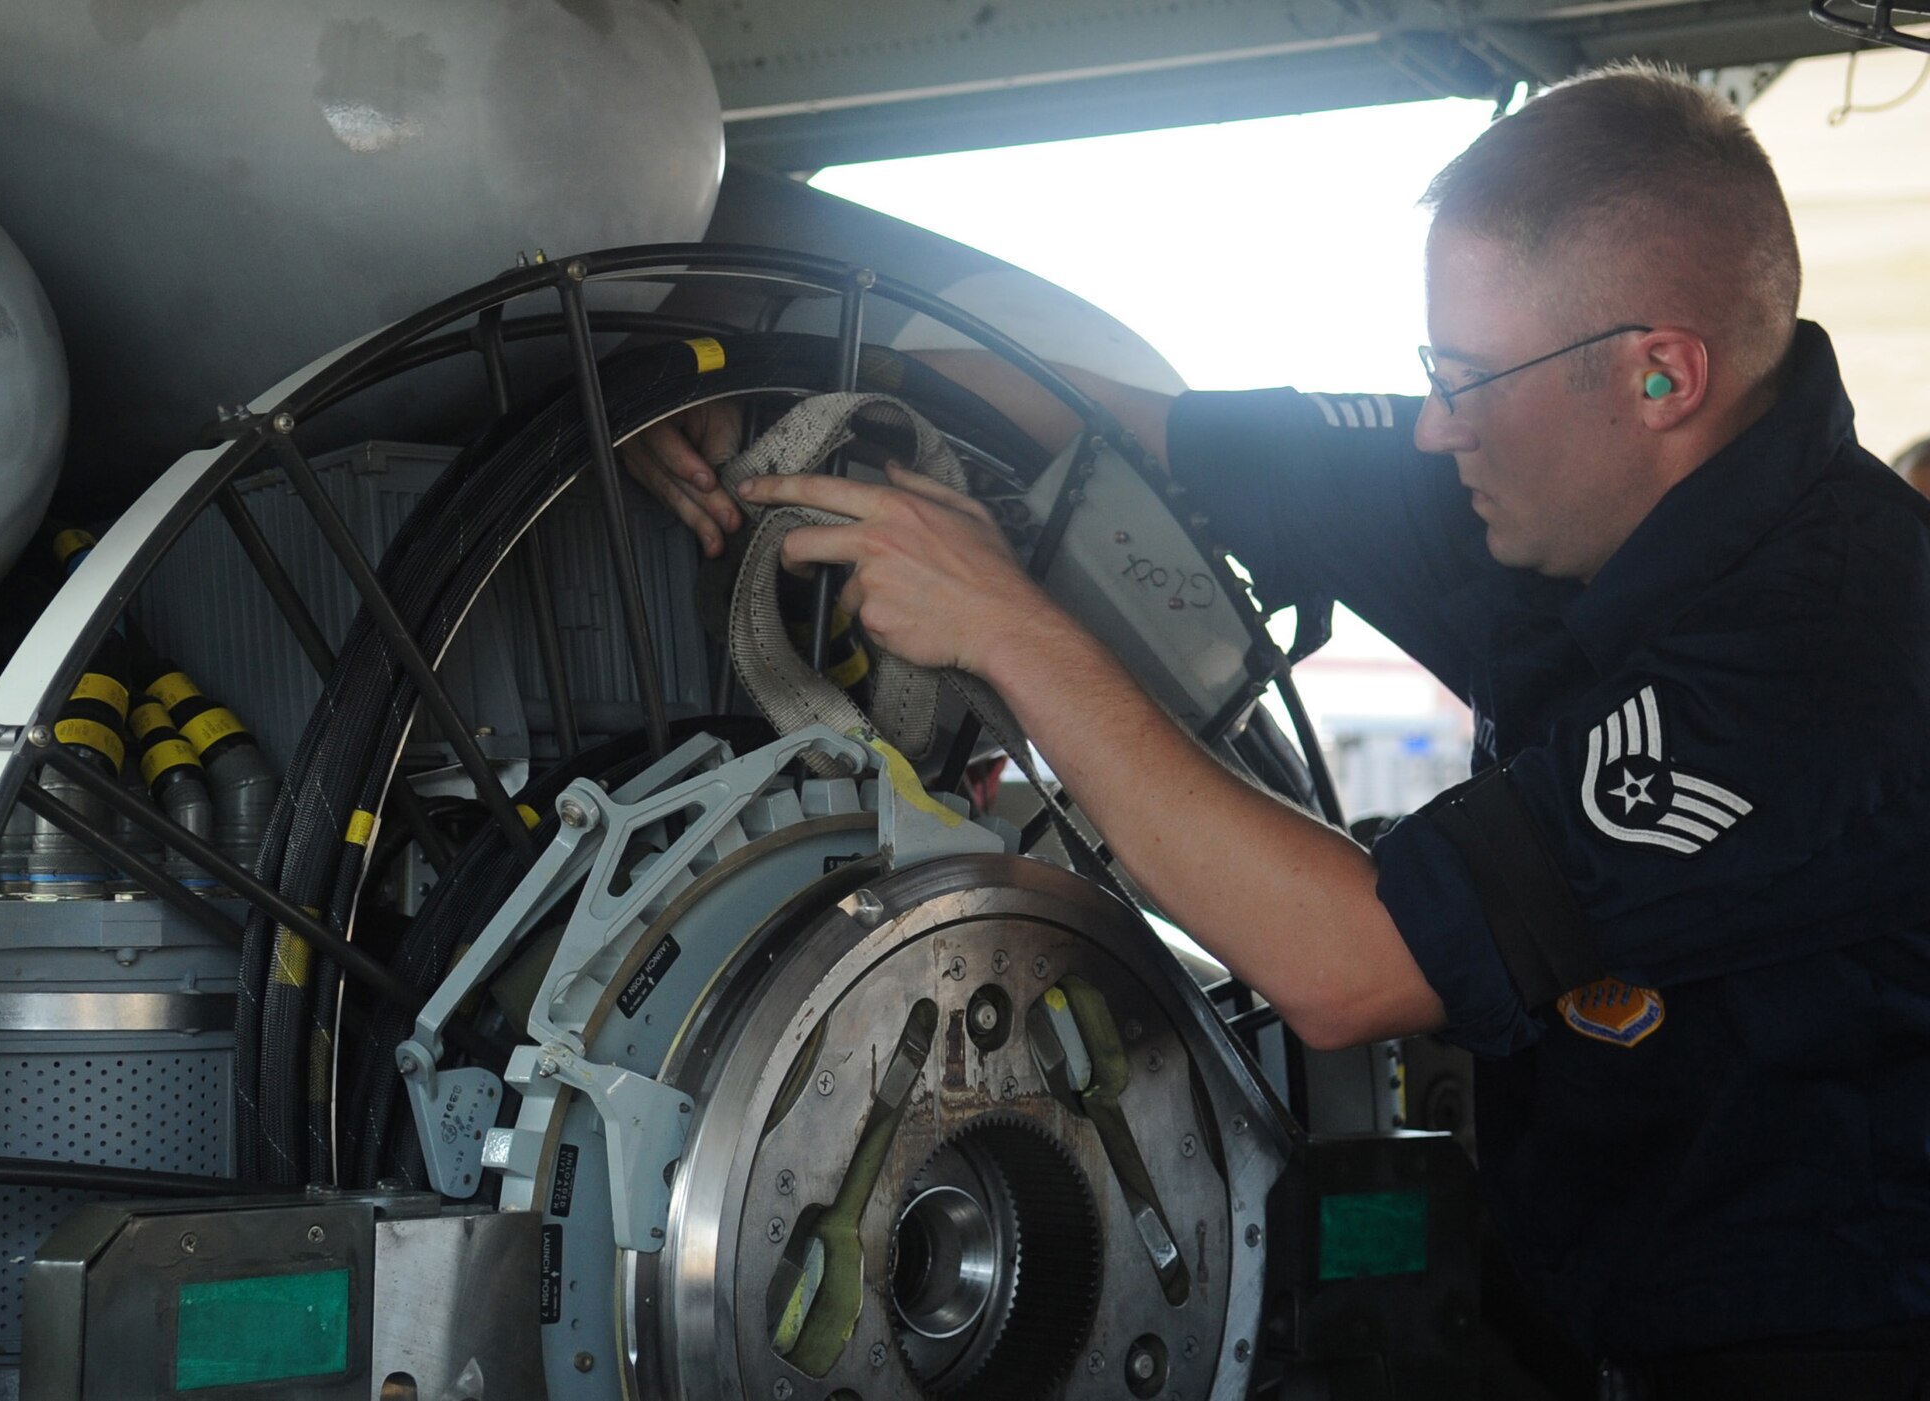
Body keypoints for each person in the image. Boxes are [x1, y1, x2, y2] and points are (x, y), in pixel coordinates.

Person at [625, 64, 1930, 1392]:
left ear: (1662, 379)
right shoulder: (1551, 484)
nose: (1435, 424)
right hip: (1579, 1309)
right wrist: (753, 384)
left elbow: (1353, 963)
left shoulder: (1833, 654)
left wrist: (1005, 628)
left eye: (1468, 379)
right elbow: (1127, 426)